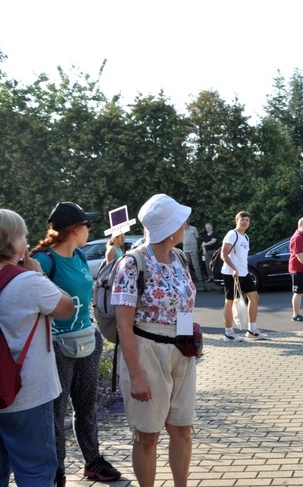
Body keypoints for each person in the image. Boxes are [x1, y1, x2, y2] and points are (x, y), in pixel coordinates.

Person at [30, 202, 122, 486]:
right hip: (57, 345)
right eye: (87, 225)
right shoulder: (44, 260)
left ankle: (92, 461)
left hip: (87, 339)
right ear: (75, 229)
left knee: (87, 408)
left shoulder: (81, 255)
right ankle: (56, 470)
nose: (89, 230)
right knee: (56, 413)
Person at [111, 194, 197, 487]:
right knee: (148, 435)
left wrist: (188, 342)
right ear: (169, 228)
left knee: (183, 428)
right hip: (146, 352)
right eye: (180, 222)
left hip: (181, 353)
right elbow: (124, 325)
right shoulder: (132, 263)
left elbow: (185, 305)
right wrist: (136, 376)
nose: (185, 225)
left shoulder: (180, 258)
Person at [0, 209, 75, 486]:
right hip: (27, 395)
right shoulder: (29, 282)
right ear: (14, 242)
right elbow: (67, 307)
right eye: (23, 235)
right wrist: (40, 275)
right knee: (35, 469)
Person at [220, 211, 264, 340]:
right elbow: (224, 254)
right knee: (230, 301)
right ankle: (228, 333)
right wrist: (233, 269)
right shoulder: (232, 234)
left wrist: (241, 270)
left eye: (247, 220)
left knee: (254, 297)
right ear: (236, 221)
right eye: (242, 219)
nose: (245, 222)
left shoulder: (245, 237)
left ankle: (252, 330)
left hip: (244, 273)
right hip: (231, 273)